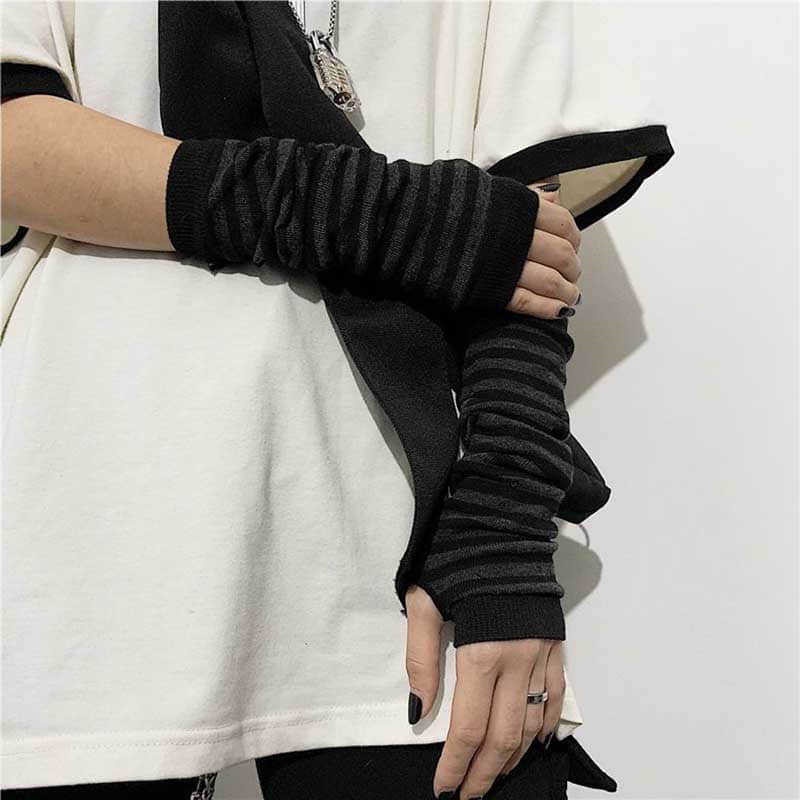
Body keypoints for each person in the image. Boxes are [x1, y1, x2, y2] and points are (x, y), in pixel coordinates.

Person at [1, 1, 674, 798]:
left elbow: (530, 240)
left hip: (410, 529)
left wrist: (501, 534)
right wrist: (389, 213)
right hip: (87, 506)